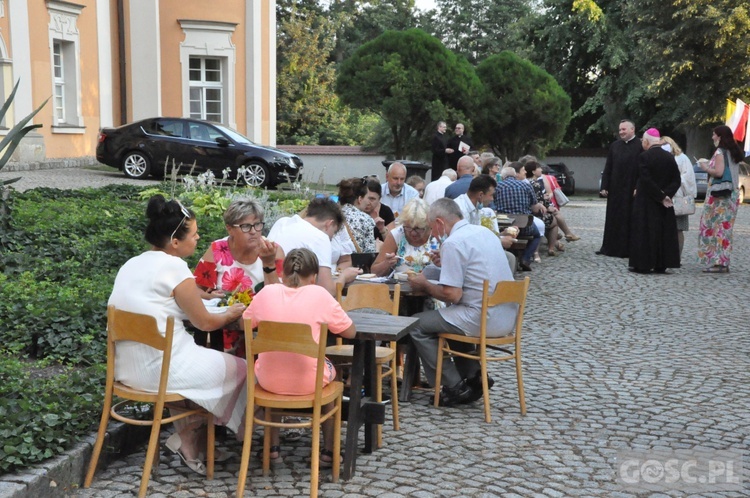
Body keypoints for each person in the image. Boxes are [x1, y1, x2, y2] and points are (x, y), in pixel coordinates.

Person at [108, 195, 247, 475]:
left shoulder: (132, 263)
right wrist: (232, 314)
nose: (197, 239)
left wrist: (197, 294)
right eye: (194, 235)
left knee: (191, 378)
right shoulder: (174, 267)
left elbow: (159, 299)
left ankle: (189, 442)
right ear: (174, 242)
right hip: (160, 371)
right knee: (243, 369)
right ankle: (197, 433)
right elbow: (206, 323)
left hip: (127, 369)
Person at [243, 248, 356, 465]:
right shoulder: (320, 295)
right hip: (308, 383)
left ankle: (272, 448)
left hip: (267, 381)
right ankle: (329, 451)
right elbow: (350, 332)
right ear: (313, 276)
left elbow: (243, 323)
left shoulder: (266, 293)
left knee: (278, 361)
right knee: (333, 376)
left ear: (283, 274)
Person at [407, 199, 516, 406]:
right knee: (448, 321)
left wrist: (424, 284)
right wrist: (446, 262)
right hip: (507, 316)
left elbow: (452, 295)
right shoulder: (484, 233)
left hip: (481, 317)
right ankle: (474, 377)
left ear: (439, 222)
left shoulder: (453, 242)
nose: (434, 233)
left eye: (432, 228)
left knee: (415, 324)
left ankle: (454, 385)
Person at [193, 198, 284, 357]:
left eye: (257, 224)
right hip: (224, 332)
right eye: (246, 226)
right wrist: (209, 295)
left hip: (264, 332)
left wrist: (268, 263)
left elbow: (283, 298)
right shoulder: (217, 250)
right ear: (229, 229)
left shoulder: (273, 251)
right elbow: (194, 288)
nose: (254, 231)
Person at [268, 197, 358, 295]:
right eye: (334, 232)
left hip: (268, 288)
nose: (332, 238)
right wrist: (344, 277)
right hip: (291, 295)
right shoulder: (320, 238)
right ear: (329, 224)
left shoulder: (282, 222)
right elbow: (327, 291)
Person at [628, 128, 681, 274]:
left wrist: (660, 196)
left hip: (647, 202)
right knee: (662, 233)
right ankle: (661, 263)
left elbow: (646, 180)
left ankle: (643, 264)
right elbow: (676, 180)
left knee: (644, 232)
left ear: (646, 142)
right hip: (664, 204)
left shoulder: (644, 157)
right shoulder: (669, 157)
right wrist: (666, 195)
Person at [697, 125, 744, 273]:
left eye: (714, 134)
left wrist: (705, 168)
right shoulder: (734, 152)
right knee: (725, 229)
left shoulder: (719, 152)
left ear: (720, 136)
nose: (712, 137)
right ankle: (724, 261)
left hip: (719, 198)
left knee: (714, 228)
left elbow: (718, 172)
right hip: (732, 195)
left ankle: (717, 263)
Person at [454, 174, 517, 273]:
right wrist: (499, 241)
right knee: (508, 258)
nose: (492, 199)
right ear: (480, 195)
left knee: (509, 258)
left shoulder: (475, 207)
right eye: (491, 195)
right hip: (461, 254)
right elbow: (466, 241)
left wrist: (501, 235)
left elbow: (478, 235)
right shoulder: (461, 210)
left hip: (471, 251)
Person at [598, 119, 642, 257]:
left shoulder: (640, 146)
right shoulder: (615, 146)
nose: (621, 132)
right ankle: (609, 248)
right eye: (620, 130)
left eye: (624, 129)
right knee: (613, 218)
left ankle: (627, 249)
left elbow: (643, 169)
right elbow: (608, 166)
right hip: (615, 188)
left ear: (632, 130)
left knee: (629, 219)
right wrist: (604, 185)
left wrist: (638, 186)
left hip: (631, 189)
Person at [492, 164, 544, 271]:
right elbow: (534, 207)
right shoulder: (526, 186)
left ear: (502, 177)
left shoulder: (497, 186)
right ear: (515, 175)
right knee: (537, 236)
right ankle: (525, 259)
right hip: (524, 225)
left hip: (504, 226)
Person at [371, 198, 434, 276]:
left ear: (428, 225)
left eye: (418, 228)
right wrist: (387, 263)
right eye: (408, 227)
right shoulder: (397, 234)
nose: (413, 233)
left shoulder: (437, 234)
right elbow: (374, 271)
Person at [661, 136, 697, 258]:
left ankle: (677, 256)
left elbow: (689, 177)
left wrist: (674, 180)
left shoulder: (681, 158)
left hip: (678, 198)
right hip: (663, 196)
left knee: (678, 229)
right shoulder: (660, 157)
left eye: (665, 143)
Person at [524, 161, 563, 257]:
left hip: (527, 213)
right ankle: (551, 248)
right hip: (535, 215)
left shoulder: (524, 182)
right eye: (539, 168)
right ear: (533, 171)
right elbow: (539, 202)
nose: (541, 169)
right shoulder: (535, 183)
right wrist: (549, 207)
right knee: (554, 222)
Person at [540, 164, 580, 242]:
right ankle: (560, 237)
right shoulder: (550, 178)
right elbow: (557, 189)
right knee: (555, 219)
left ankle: (556, 240)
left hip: (544, 203)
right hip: (552, 202)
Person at [336, 177, 377, 253]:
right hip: (354, 262)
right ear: (360, 199)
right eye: (367, 198)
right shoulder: (366, 220)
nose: (368, 202)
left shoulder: (333, 214)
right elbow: (369, 253)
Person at [360, 178, 395, 243]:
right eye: (365, 198)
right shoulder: (357, 210)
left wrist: (382, 229)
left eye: (372, 199)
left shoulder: (386, 211)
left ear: (379, 199)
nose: (368, 202)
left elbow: (392, 242)